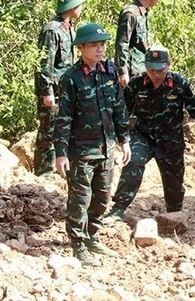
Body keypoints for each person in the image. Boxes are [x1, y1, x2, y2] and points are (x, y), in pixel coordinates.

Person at [53, 22, 131, 265]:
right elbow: (63, 118)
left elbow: (119, 109)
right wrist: (61, 153)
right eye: (94, 45)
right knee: (80, 199)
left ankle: (92, 236)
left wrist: (124, 140)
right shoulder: (71, 79)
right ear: (81, 48)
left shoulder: (109, 73)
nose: (99, 49)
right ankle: (77, 244)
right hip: (83, 151)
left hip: (107, 149)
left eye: (102, 44)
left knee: (103, 197)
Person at [105, 46, 195, 221]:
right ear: (146, 66)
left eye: (160, 69)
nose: (156, 74)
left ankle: (174, 214)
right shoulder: (137, 84)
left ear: (168, 65)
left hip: (171, 140)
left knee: (174, 185)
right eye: (151, 69)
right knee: (133, 162)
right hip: (143, 136)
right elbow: (122, 111)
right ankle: (118, 209)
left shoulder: (180, 84)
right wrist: (121, 138)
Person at [34, 0, 89, 176]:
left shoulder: (69, 28)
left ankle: (60, 167)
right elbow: (45, 63)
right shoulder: (52, 30)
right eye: (80, 4)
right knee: (48, 130)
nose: (82, 8)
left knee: (63, 128)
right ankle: (43, 171)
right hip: (53, 90)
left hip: (66, 89)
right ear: (72, 6)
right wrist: (47, 91)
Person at [115, 0, 168, 88]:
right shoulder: (130, 13)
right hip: (131, 71)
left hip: (143, 68)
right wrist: (122, 72)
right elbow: (122, 44)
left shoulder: (143, 13)